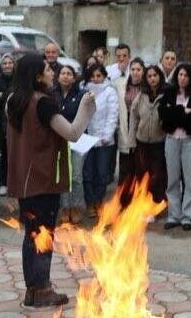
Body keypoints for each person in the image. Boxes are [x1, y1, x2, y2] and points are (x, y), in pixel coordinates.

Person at [6, 55, 96, 308]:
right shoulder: (42, 103)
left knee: (31, 235)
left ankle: (32, 290)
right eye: (47, 69)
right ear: (37, 76)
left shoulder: (14, 100)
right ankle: (43, 289)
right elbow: (73, 133)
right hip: (43, 179)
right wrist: (86, 108)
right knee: (44, 234)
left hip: (24, 180)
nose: (52, 72)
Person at [160, 64, 191, 230]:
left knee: (190, 180)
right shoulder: (169, 92)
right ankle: (174, 215)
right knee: (172, 180)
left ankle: (187, 216)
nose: (182, 78)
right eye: (180, 74)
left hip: (190, 141)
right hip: (172, 139)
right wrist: (182, 111)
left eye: (186, 75)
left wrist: (176, 113)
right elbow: (164, 116)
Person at [126, 66, 168, 209]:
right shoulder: (141, 96)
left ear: (160, 76)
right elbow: (134, 118)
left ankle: (156, 205)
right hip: (142, 143)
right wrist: (131, 141)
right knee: (142, 176)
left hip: (159, 143)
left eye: (155, 75)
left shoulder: (166, 94)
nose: (152, 79)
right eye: (149, 76)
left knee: (157, 177)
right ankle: (143, 205)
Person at [82, 64, 119, 217]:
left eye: (99, 76)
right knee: (87, 173)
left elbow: (112, 115)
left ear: (104, 76)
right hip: (87, 139)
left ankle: (98, 201)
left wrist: (107, 135)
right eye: (93, 76)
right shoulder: (84, 91)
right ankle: (89, 203)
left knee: (102, 173)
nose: (96, 79)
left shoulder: (110, 91)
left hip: (104, 140)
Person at [54, 65, 87, 224]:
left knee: (76, 176)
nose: (66, 76)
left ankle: (76, 207)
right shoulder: (52, 94)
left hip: (77, 140)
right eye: (63, 73)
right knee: (62, 176)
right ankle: (65, 208)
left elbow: (85, 117)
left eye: (69, 74)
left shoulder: (81, 95)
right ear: (58, 76)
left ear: (74, 78)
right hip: (59, 140)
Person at [115, 58, 145, 203]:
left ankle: (138, 202)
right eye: (133, 69)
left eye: (138, 69)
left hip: (141, 131)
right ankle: (123, 201)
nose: (135, 72)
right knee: (125, 170)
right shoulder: (121, 85)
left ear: (143, 71)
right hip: (125, 129)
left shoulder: (146, 87)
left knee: (140, 169)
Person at [0, 54, 14, 196]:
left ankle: (15, 183)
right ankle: (3, 183)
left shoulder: (19, 80)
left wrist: (3, 95)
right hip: (2, 124)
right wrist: (5, 95)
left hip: (16, 123)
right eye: (4, 63)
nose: (7, 65)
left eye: (9, 62)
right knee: (4, 155)